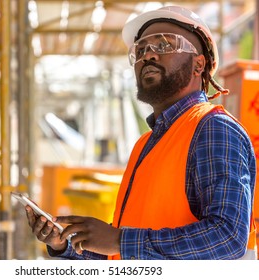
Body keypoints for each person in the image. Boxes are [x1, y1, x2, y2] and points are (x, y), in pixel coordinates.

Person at [26, 6, 257, 260]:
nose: (148, 56)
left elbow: (228, 237)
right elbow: (128, 257)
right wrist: (66, 244)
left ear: (198, 65)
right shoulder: (146, 144)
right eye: (141, 50)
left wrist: (119, 239)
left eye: (164, 46)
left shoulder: (213, 129)